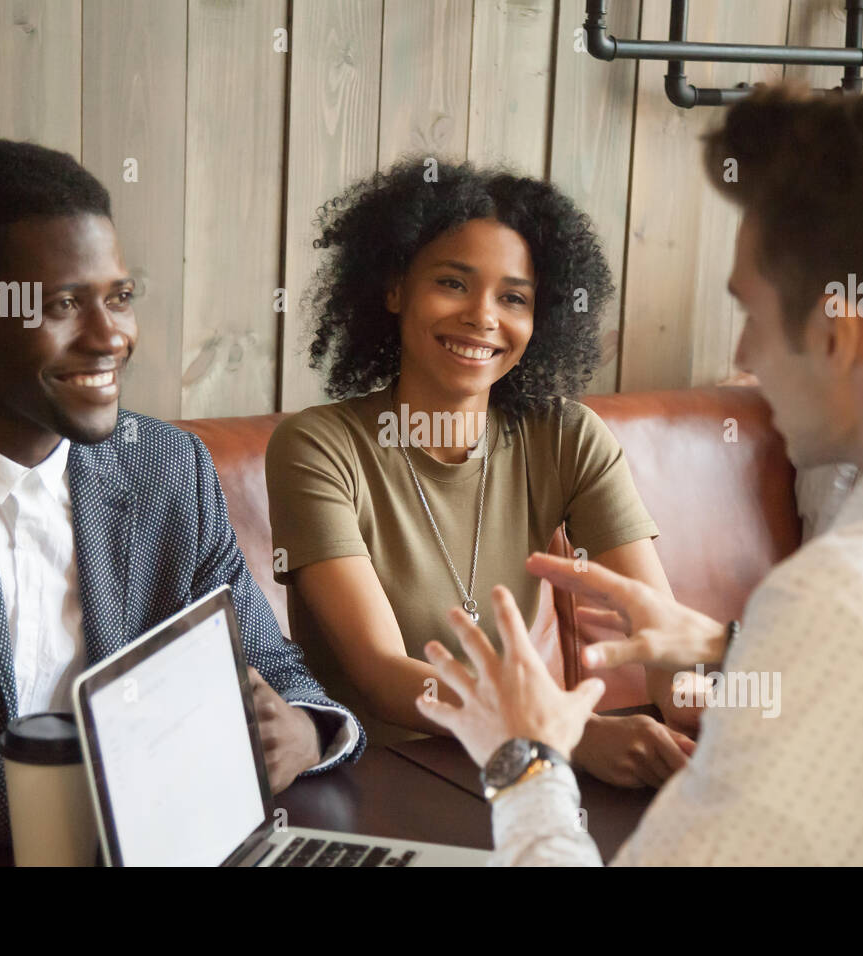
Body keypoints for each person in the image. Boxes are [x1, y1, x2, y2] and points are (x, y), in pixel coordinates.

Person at [416, 85, 863, 864]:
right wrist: (731, 646)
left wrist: (523, 758)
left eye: (752, 313)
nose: (744, 358)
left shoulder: (848, 605)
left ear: (835, 335)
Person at [0, 141, 361, 866]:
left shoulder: (166, 468)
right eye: (62, 304)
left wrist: (304, 730)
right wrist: (81, 783)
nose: (109, 337)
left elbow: (274, 667)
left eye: (118, 297)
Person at [265, 159, 700, 787]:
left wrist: (699, 704)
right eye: (452, 283)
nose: (483, 316)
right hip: (382, 786)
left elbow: (655, 627)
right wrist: (567, 733)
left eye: (513, 297)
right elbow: (384, 674)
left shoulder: (566, 437)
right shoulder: (317, 447)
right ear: (394, 289)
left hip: (524, 781)